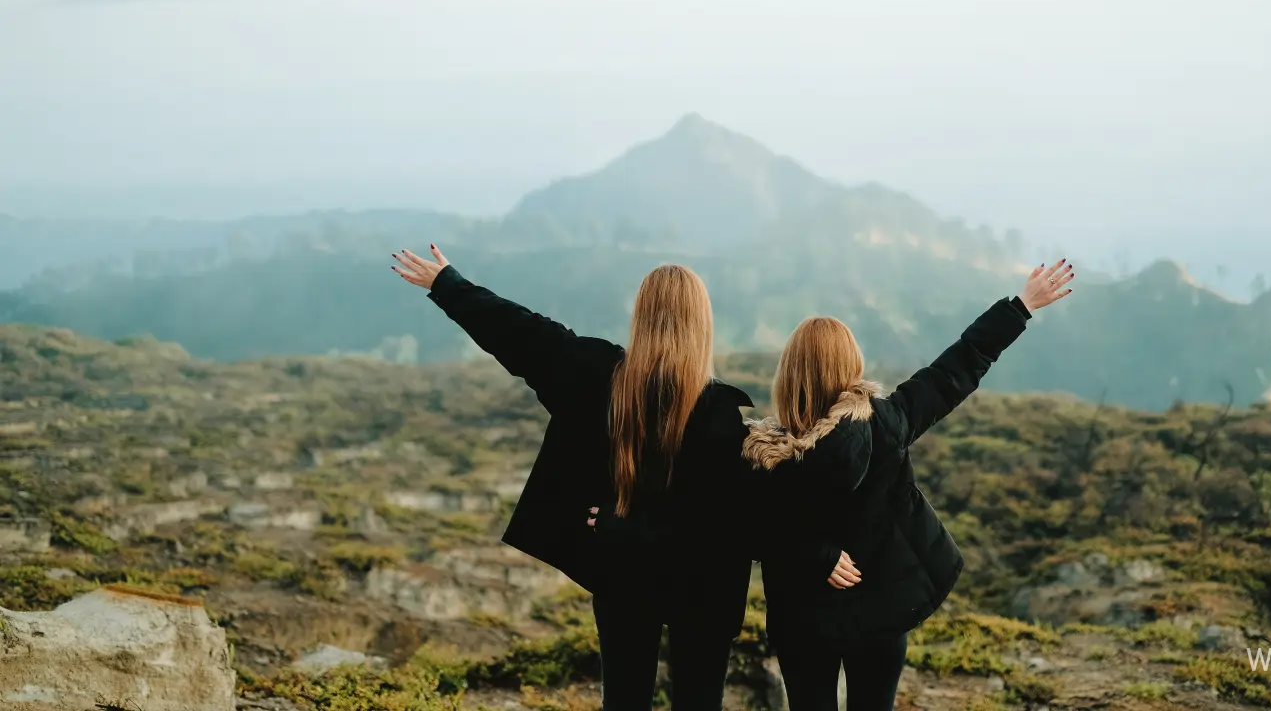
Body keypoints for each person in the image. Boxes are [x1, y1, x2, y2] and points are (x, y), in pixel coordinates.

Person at [392, 246, 755, 711]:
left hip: (622, 568)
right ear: (702, 323)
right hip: (701, 585)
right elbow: (726, 520)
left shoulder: (596, 373)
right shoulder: (721, 414)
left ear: (641, 316)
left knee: (624, 699)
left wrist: (447, 284)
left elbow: (521, 332)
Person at [744, 259, 1075, 711]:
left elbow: (749, 528)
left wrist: (815, 555)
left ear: (789, 374)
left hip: (803, 619)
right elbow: (952, 371)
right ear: (851, 366)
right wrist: (1020, 306)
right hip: (881, 611)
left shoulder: (763, 458)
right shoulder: (889, 422)